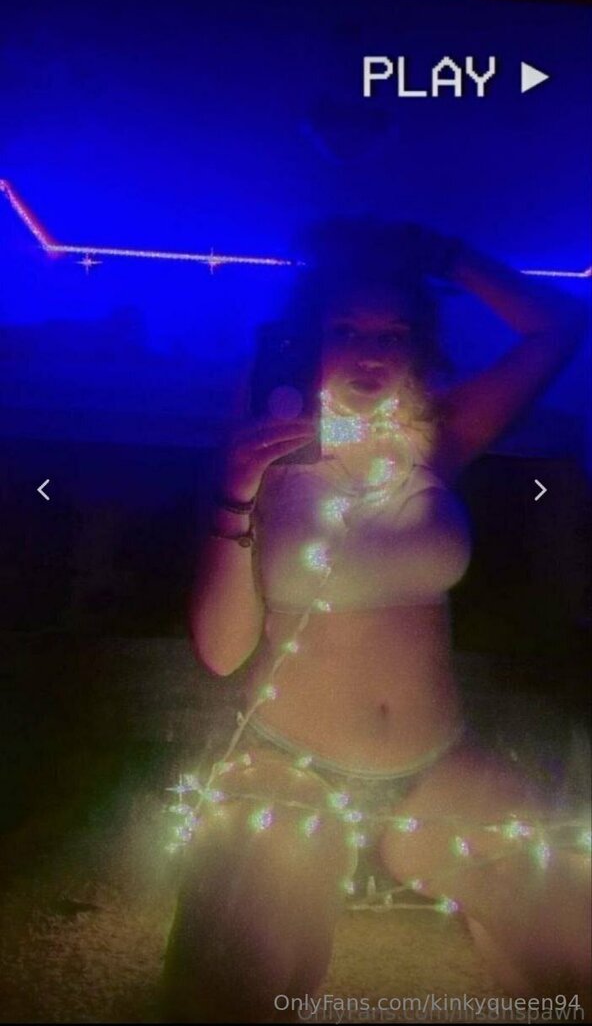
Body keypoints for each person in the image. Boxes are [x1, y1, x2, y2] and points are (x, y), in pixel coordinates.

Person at [161, 219, 591, 1023]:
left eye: (392, 333)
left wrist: (444, 252)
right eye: (347, 330)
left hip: (437, 771)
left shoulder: (438, 440)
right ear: (307, 341)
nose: (370, 351)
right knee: (231, 991)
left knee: (575, 951)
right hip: (289, 775)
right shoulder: (265, 453)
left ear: (417, 346)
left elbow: (559, 326)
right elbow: (220, 654)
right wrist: (235, 491)